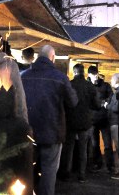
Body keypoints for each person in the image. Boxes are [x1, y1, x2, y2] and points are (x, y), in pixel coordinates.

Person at [21, 45, 78, 195]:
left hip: (28, 131)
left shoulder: (23, 76)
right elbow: (73, 102)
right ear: (52, 57)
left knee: (27, 170)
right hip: (52, 131)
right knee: (49, 171)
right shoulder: (60, 78)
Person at [59, 63, 100, 183]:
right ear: (84, 72)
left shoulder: (69, 85)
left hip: (70, 121)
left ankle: (67, 173)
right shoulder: (90, 86)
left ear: (74, 72)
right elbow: (97, 105)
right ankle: (82, 175)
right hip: (86, 122)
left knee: (69, 149)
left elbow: (64, 103)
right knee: (83, 150)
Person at [88, 66, 114, 173]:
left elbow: (111, 96)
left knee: (107, 144)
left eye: (96, 75)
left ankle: (109, 165)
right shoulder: (88, 86)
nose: (95, 77)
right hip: (93, 120)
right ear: (89, 75)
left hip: (103, 119)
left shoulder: (105, 85)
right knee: (95, 144)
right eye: (93, 75)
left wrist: (105, 102)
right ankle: (97, 163)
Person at [108, 73, 119, 179]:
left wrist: (107, 106)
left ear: (116, 81)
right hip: (117, 123)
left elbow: (117, 107)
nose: (110, 82)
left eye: (112, 80)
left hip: (116, 123)